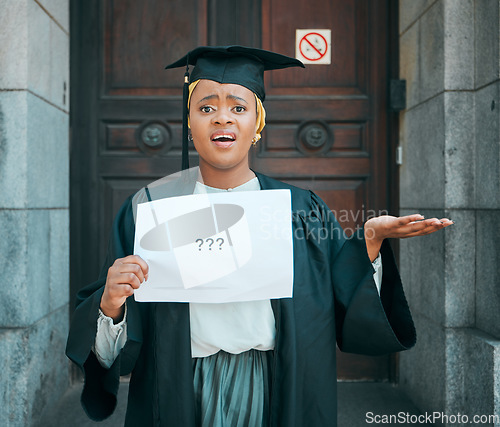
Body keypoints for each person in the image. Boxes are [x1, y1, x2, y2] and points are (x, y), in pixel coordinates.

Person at [66, 46, 453, 426]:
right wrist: (111, 303)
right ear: (188, 124)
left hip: (274, 387)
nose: (222, 119)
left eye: (238, 107)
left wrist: (367, 241)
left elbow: (341, 299)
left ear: (258, 125)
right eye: (205, 108)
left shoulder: (300, 210)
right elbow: (111, 341)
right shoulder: (150, 211)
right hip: (180, 388)